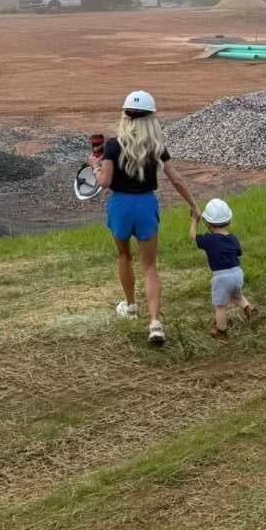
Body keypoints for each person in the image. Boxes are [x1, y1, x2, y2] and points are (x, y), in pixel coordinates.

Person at [92, 89, 199, 346]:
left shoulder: (112, 145)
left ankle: (130, 306)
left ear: (125, 116)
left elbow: (104, 182)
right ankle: (155, 324)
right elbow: (176, 179)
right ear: (151, 118)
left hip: (120, 206)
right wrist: (194, 205)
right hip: (145, 205)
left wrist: (95, 165)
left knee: (124, 256)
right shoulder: (157, 146)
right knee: (149, 266)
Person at [189, 197, 254, 337]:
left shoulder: (208, 239)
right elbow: (238, 253)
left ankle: (221, 330)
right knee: (237, 296)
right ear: (229, 220)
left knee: (220, 306)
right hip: (237, 273)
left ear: (208, 222)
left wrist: (194, 220)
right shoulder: (233, 238)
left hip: (222, 277)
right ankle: (249, 308)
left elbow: (193, 237)